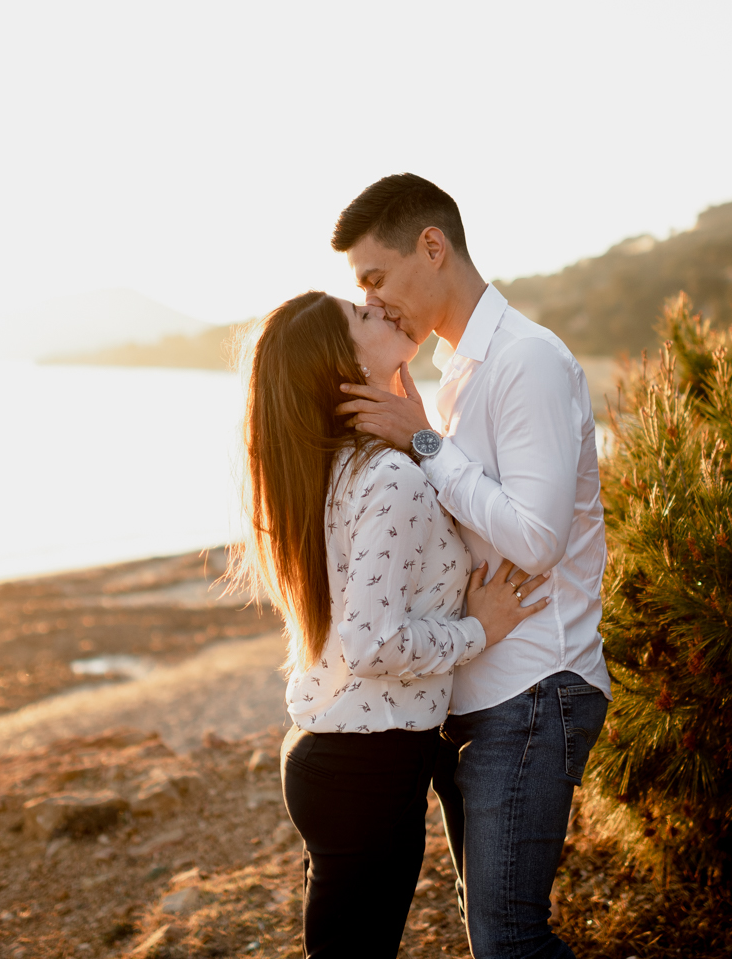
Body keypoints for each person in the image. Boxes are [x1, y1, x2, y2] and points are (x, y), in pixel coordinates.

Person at [332, 174, 611, 959]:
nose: (376, 302)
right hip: (481, 687)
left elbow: (535, 539)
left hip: (534, 684)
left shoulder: (526, 360)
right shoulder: (457, 374)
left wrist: (423, 442)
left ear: (434, 246)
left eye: (375, 279)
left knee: (509, 942)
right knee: (492, 931)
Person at [232, 290, 551, 959]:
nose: (379, 308)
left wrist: (419, 426)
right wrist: (479, 632)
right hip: (363, 769)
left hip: (343, 760)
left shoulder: (343, 467)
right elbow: (372, 642)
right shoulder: (386, 477)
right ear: (342, 368)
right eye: (361, 315)